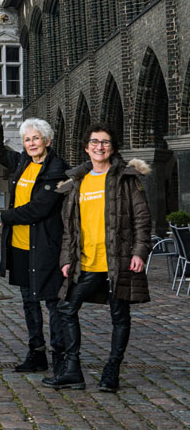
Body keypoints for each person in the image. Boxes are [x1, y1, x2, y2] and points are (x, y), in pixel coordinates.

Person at [42, 122, 152, 392]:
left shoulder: (127, 178)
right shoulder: (77, 182)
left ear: (112, 147)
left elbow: (142, 220)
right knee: (66, 308)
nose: (99, 147)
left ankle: (112, 370)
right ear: (86, 147)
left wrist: (139, 252)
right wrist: (66, 258)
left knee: (120, 316)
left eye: (105, 142)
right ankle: (72, 370)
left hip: (118, 261)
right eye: (94, 142)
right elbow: (70, 227)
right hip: (86, 263)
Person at [0, 105, 68, 374]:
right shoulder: (23, 161)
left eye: (36, 138)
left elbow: (40, 208)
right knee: (28, 301)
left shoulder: (57, 169)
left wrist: (6, 216)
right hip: (20, 245)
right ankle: (36, 353)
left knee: (53, 302)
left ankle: (60, 356)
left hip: (46, 247)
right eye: (27, 139)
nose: (31, 143)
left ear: (47, 141)